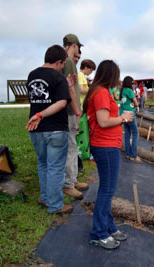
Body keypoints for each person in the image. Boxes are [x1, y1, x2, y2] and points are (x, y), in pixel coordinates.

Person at [83, 60, 134, 249]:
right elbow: (103, 121)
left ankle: (109, 226)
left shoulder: (100, 91)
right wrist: (123, 118)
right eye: (116, 75)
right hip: (104, 146)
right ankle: (98, 233)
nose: (118, 79)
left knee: (108, 188)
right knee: (107, 189)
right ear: (110, 75)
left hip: (107, 145)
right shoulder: (102, 93)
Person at [26, 45, 74, 214]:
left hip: (36, 129)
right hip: (55, 129)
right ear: (59, 61)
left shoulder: (32, 75)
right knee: (55, 167)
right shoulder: (58, 77)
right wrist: (41, 114)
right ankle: (55, 205)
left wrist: (38, 115)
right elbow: (61, 103)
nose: (62, 67)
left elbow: (41, 96)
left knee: (43, 164)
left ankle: (45, 198)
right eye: (63, 64)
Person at [62, 33, 89, 199]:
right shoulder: (69, 62)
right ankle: (68, 184)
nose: (78, 50)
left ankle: (72, 179)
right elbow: (71, 89)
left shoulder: (63, 61)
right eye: (78, 47)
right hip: (70, 112)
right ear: (73, 45)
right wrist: (77, 111)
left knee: (72, 146)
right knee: (71, 148)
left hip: (68, 111)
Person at [119, 76, 142, 163]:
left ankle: (128, 154)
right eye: (132, 83)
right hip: (130, 114)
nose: (133, 84)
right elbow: (136, 103)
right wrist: (137, 104)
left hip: (123, 115)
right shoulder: (130, 91)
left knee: (127, 133)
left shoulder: (122, 90)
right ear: (129, 83)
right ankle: (133, 155)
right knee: (135, 133)